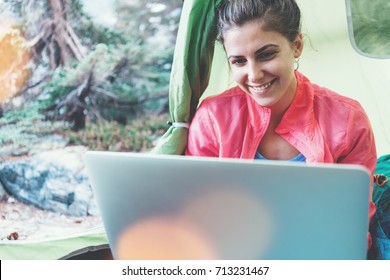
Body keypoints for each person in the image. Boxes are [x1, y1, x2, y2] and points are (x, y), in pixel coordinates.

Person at [185, 0, 377, 247]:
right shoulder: (212, 119)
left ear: (296, 46)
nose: (254, 75)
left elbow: (354, 224)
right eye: (239, 61)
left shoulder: (348, 119)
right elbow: (201, 214)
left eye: (266, 55)